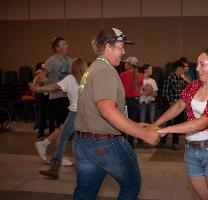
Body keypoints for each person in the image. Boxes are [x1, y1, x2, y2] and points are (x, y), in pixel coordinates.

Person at [73, 28, 160, 200]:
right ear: (107, 47)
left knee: (85, 194)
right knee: (131, 185)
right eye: (121, 47)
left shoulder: (91, 69)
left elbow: (97, 111)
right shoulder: (106, 71)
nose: (124, 52)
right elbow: (106, 111)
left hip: (83, 143)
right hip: (104, 144)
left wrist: (133, 125)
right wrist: (142, 133)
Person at [154, 46, 208, 200]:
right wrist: (155, 125)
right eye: (197, 64)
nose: (197, 68)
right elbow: (178, 106)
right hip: (192, 152)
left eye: (202, 64)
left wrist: (165, 130)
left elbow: (200, 123)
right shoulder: (194, 85)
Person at [30, 58, 88, 179]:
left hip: (74, 114)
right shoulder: (89, 78)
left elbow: (53, 87)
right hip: (88, 115)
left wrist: (38, 89)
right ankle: (92, 167)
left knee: (62, 140)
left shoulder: (70, 79)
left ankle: (54, 169)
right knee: (85, 141)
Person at [33, 37, 73, 164]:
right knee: (63, 127)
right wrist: (36, 85)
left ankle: (49, 148)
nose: (67, 45)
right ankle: (51, 150)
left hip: (68, 97)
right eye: (63, 44)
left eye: (66, 43)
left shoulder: (69, 60)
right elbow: (40, 77)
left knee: (65, 127)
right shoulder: (51, 61)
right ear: (57, 48)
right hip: (57, 98)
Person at [160, 61, 187, 150]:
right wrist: (170, 103)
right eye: (182, 68)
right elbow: (165, 93)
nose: (183, 70)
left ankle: (175, 143)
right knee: (167, 123)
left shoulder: (182, 79)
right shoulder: (169, 78)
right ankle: (162, 141)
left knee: (177, 125)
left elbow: (185, 92)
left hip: (180, 105)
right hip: (170, 105)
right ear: (178, 68)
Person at [120, 56, 143, 148]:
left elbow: (120, 89)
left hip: (125, 102)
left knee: (122, 122)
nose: (124, 64)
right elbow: (140, 91)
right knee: (132, 124)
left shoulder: (122, 75)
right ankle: (130, 143)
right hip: (136, 102)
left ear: (129, 65)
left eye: (126, 63)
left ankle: (122, 143)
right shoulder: (140, 76)